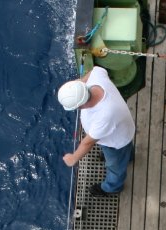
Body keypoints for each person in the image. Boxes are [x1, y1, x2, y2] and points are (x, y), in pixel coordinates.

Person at [57, 67, 135, 196]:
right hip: (122, 131)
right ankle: (129, 157)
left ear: (80, 104)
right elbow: (96, 69)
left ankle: (112, 188)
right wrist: (80, 83)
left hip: (115, 143)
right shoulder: (97, 79)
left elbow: (88, 143)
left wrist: (73, 158)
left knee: (115, 168)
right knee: (125, 152)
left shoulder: (106, 114)